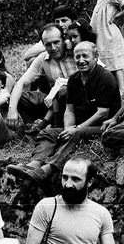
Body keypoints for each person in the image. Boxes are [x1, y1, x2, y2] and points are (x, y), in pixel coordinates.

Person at [8, 42, 118, 182]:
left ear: (96, 57)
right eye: (77, 56)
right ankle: (34, 164)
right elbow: (69, 110)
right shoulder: (74, 79)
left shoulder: (105, 77)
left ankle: (47, 169)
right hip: (80, 125)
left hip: (103, 127)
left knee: (76, 133)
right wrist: (67, 129)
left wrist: (76, 129)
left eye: (85, 56)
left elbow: (102, 112)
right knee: (48, 132)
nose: (81, 60)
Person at [6, 24, 77, 130]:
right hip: (54, 104)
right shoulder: (43, 58)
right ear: (43, 45)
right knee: (19, 97)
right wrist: (12, 109)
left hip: (78, 102)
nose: (53, 48)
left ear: (63, 40)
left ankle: (55, 125)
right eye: (48, 44)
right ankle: (33, 127)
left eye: (56, 42)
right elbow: (21, 83)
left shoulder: (76, 52)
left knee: (64, 90)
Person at [91, 0, 124, 98]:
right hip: (100, 37)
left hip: (110, 36)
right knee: (104, 63)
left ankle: (122, 93)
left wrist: (116, 17)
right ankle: (109, 91)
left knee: (116, 64)